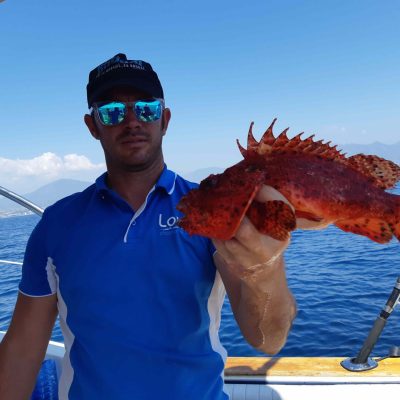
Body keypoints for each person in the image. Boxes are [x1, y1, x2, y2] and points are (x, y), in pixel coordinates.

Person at [0, 53, 299, 400]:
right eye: (112, 112)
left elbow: (266, 338)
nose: (132, 121)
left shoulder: (211, 207)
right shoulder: (57, 224)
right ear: (92, 125)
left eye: (146, 109)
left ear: (165, 119)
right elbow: (23, 347)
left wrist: (266, 267)